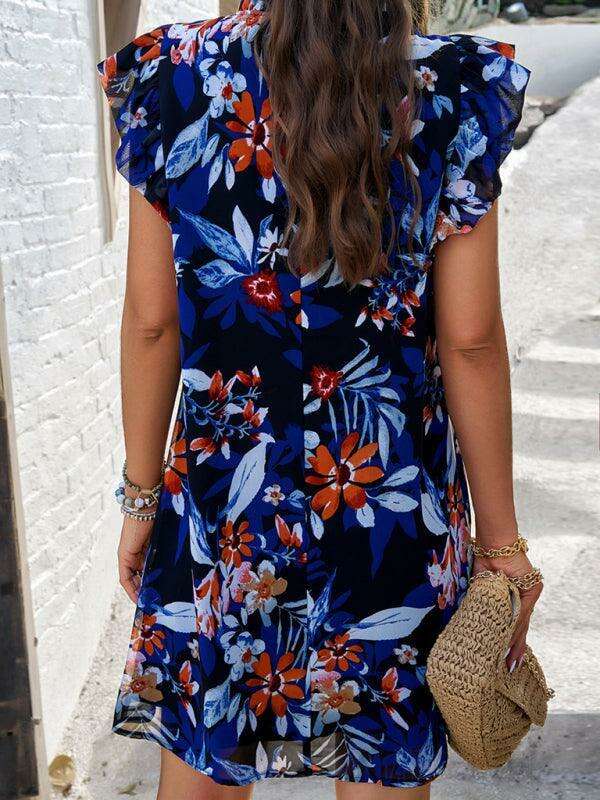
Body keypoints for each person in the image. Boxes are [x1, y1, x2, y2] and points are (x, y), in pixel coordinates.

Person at [97, 1, 541, 798]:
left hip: (224, 505)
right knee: (381, 757)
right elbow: (470, 340)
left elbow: (152, 322)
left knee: (205, 752)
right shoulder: (450, 85)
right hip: (390, 506)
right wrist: (501, 546)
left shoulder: (176, 76)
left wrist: (140, 497)